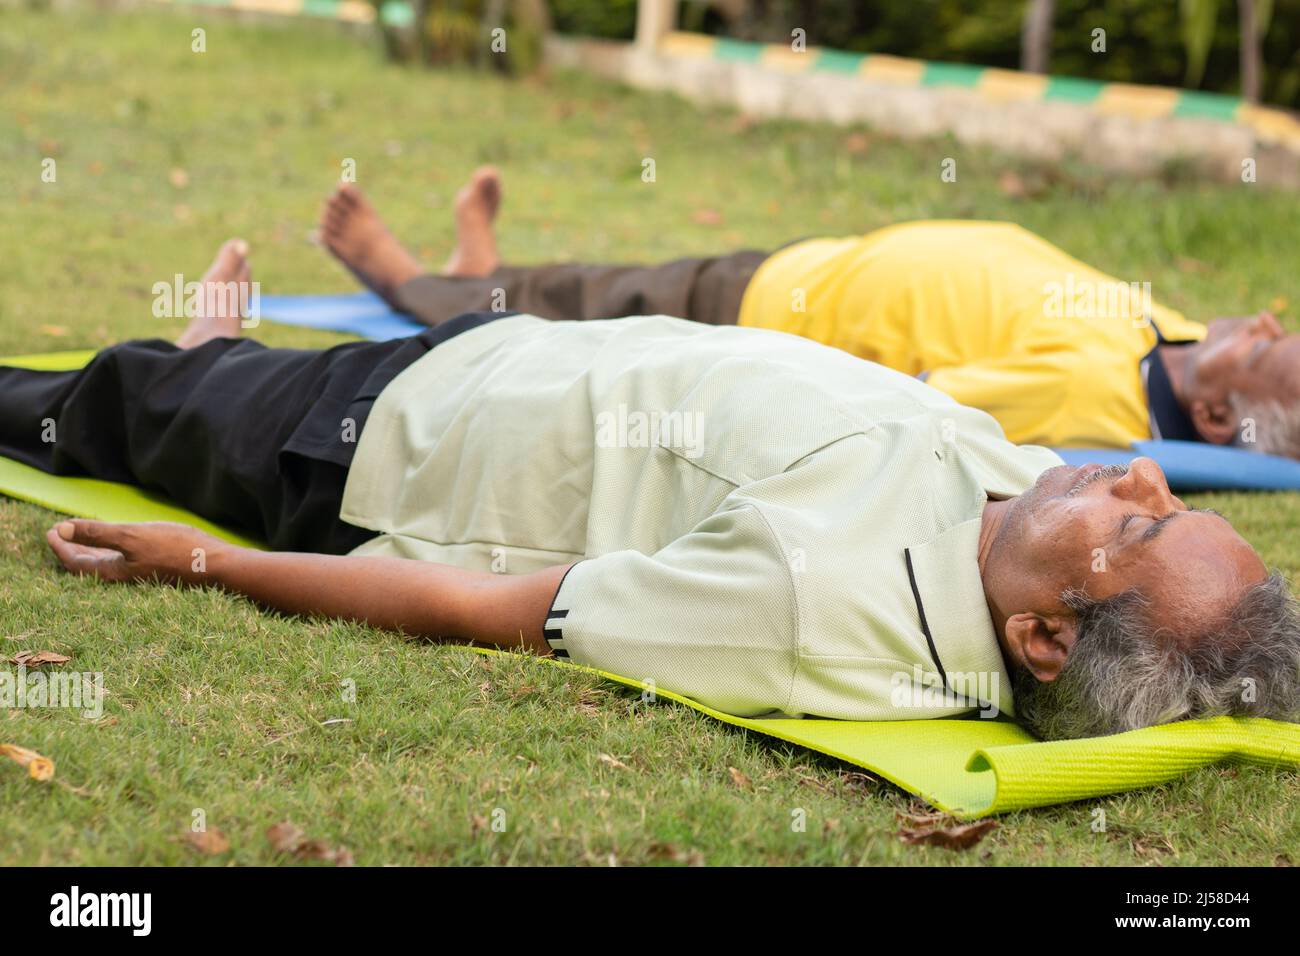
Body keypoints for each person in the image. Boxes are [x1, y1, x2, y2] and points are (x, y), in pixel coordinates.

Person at [4, 240, 1299, 742]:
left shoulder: (807, 601)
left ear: (1045, 636)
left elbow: (477, 604)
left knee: (102, 402)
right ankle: (210, 358)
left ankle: (179, 371)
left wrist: (197, 562)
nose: (1141, 472)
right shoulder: (1016, 515)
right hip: (502, 362)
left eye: (1144, 519)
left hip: (378, 440)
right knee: (200, 384)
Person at [317, 168, 1300, 456]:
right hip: (806, 269)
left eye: (1264, 346)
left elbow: (927, 400)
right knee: (584, 282)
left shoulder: (1098, 393)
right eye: (1274, 319)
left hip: (775, 312)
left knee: (586, 307)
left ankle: (404, 281)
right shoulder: (1166, 331)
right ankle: (478, 271)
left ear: (1215, 417)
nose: (1256, 319)